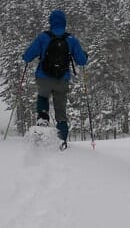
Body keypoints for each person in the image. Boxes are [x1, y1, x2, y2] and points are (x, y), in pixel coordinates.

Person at [22, 9, 89, 147]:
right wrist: (85, 55)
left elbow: (27, 56)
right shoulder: (70, 39)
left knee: (43, 98)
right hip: (62, 80)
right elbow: (82, 61)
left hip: (43, 78)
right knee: (61, 112)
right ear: (64, 23)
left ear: (51, 22)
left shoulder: (43, 37)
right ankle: (62, 141)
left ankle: (42, 124)